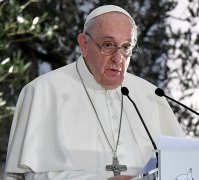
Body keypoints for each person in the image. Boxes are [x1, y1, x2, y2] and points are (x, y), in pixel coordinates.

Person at [5, 5, 185, 180]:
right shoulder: (42, 91)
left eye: (126, 47)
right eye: (108, 45)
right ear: (84, 44)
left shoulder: (150, 94)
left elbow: (180, 167)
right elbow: (30, 174)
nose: (117, 58)